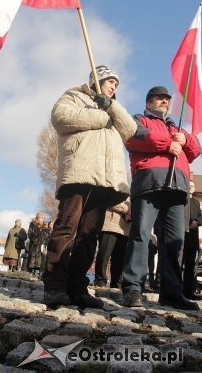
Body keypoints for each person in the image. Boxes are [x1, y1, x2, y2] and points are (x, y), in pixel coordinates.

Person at [43, 65, 137, 308]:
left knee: (89, 235)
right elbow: (60, 117)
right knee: (66, 227)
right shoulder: (75, 96)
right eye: (110, 81)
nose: (114, 87)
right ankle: (54, 285)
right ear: (97, 79)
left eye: (117, 85)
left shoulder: (114, 108)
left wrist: (111, 106)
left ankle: (77, 287)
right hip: (79, 171)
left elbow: (130, 130)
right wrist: (100, 116)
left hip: (105, 179)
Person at [122, 85, 202, 311]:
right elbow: (134, 136)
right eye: (159, 98)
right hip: (149, 182)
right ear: (148, 103)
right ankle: (133, 287)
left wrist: (184, 139)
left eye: (166, 99)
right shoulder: (139, 119)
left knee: (175, 241)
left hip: (177, 187)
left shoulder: (177, 128)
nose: (164, 101)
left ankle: (172, 291)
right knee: (141, 235)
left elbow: (195, 150)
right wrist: (168, 143)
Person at [94, 199, 131, 288]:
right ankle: (100, 281)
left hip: (124, 230)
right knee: (104, 255)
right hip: (109, 226)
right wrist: (128, 210)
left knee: (119, 259)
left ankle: (116, 284)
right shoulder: (113, 187)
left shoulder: (130, 194)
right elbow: (109, 201)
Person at [182, 181, 202, 299]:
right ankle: (176, 289)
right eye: (189, 186)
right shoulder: (181, 198)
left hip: (193, 238)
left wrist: (197, 222)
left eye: (192, 186)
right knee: (179, 265)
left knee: (190, 267)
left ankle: (188, 291)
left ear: (194, 189)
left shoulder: (196, 202)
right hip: (181, 236)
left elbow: (201, 215)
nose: (190, 188)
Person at [27, 212, 50, 276]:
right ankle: (31, 273)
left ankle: (38, 274)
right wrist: (34, 240)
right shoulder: (33, 224)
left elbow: (47, 237)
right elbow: (29, 233)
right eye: (41, 217)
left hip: (41, 246)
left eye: (43, 218)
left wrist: (44, 243)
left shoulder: (45, 227)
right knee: (32, 260)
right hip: (34, 245)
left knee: (40, 261)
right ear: (38, 217)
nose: (42, 219)